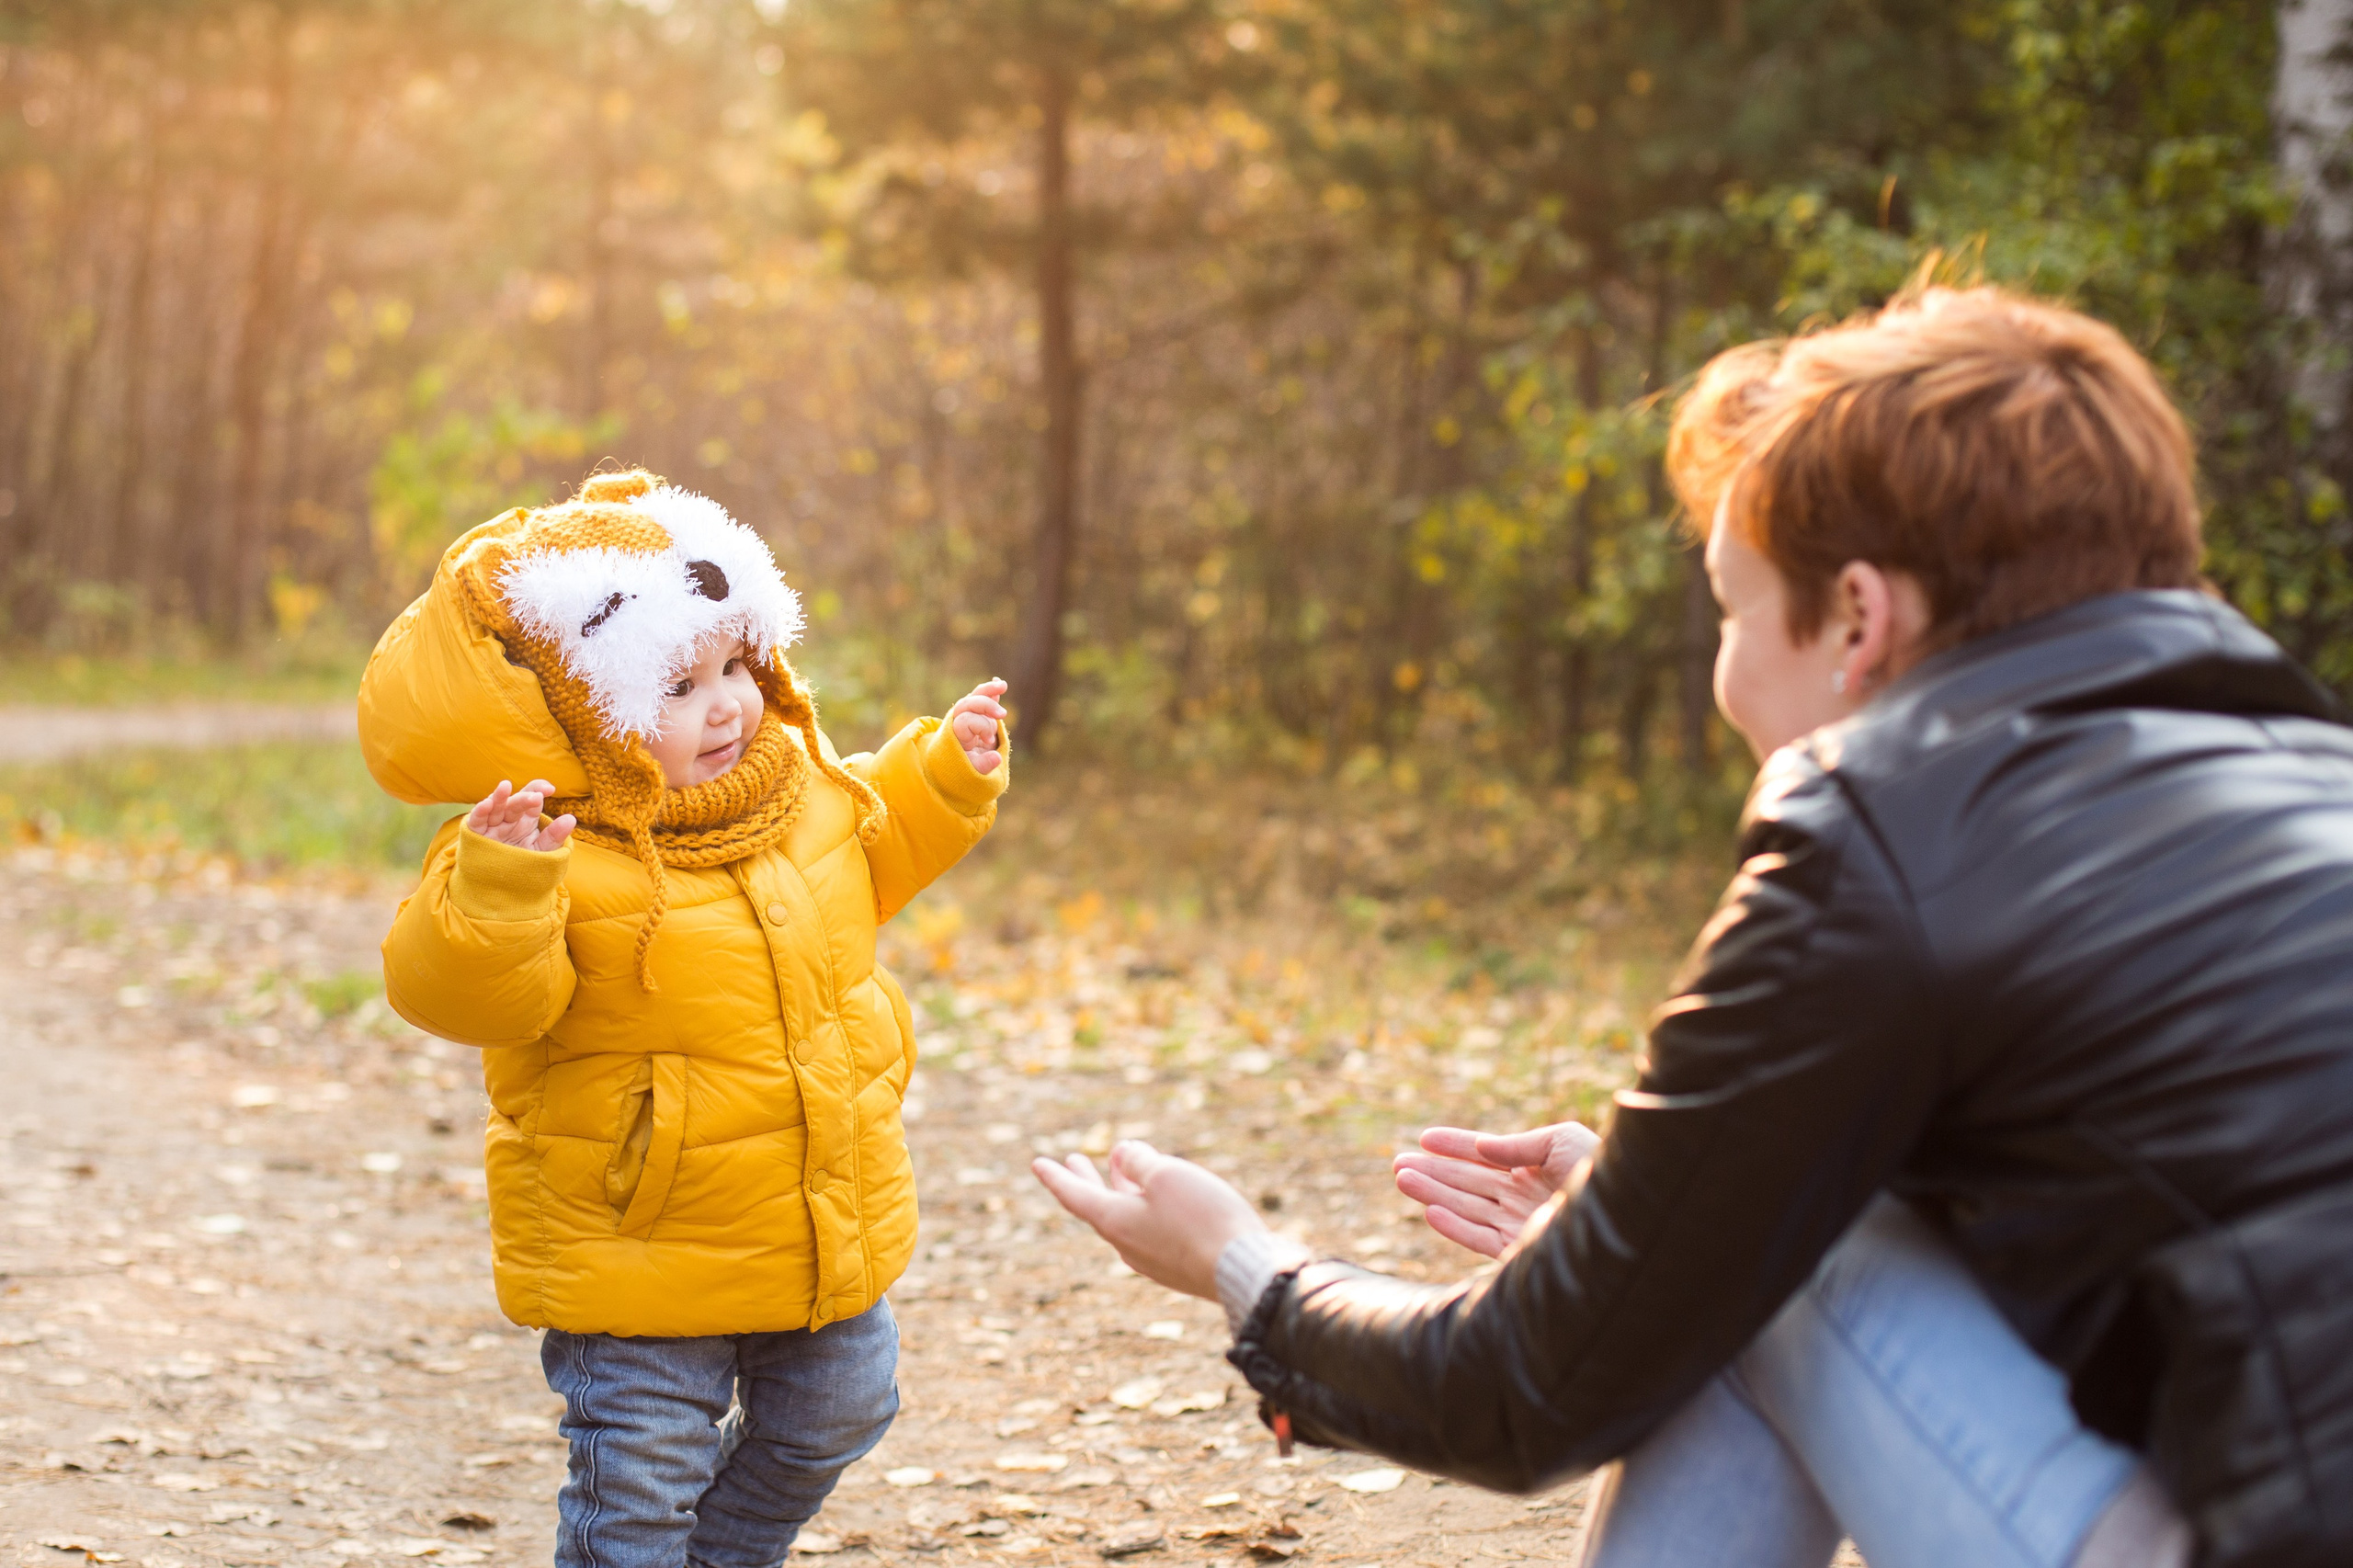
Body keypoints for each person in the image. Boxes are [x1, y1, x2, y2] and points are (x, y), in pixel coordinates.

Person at [1034, 287, 2353, 1568]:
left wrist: (1246, 1268)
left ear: (1857, 616)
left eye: (1731, 606)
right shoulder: (2312, 781)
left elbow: (1516, 1388)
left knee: (1773, 1268)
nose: (1726, 670)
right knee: (1753, 1247)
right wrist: (1662, 1204)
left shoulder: (1885, 822)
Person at [358, 469, 1010, 1568]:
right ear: (582, 712)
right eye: (677, 685)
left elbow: (874, 845)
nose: (726, 706)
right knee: (642, 1482)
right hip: (635, 1241)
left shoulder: (797, 790)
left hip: (810, 1210)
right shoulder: (549, 851)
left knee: (845, 1404)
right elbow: (464, 994)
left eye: (734, 667)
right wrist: (503, 888)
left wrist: (941, 773)